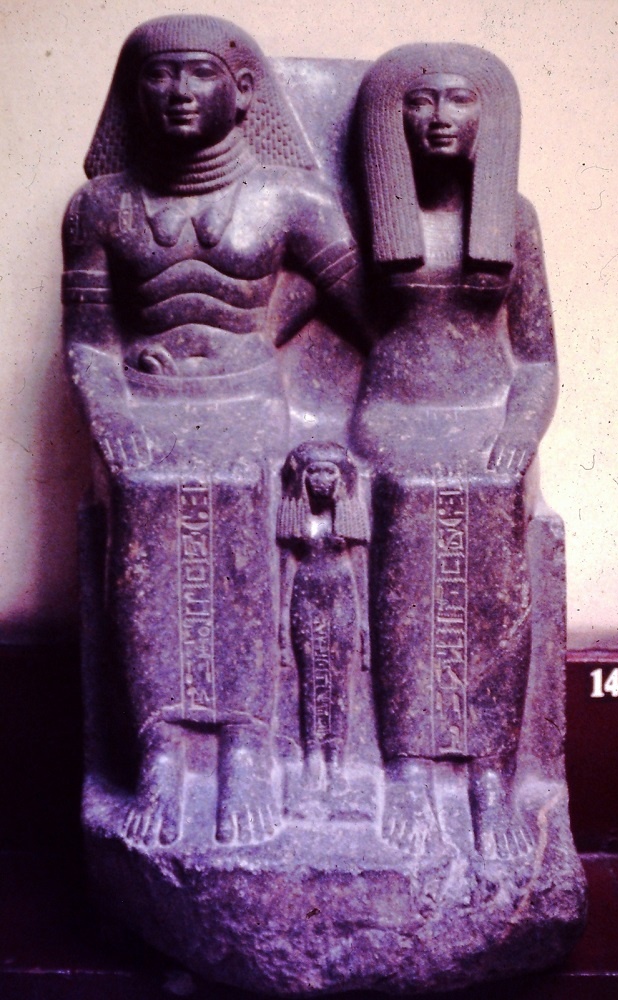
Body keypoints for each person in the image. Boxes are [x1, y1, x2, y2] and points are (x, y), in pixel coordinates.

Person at [63, 15, 363, 847]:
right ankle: (163, 754)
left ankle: (247, 753)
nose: (178, 92)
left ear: (244, 92)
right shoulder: (100, 209)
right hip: (149, 410)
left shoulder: (291, 200)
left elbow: (369, 311)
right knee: (144, 562)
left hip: (249, 407)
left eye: (199, 73)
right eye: (157, 76)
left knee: (243, 559)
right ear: (131, 94)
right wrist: (111, 414)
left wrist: (261, 334)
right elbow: (87, 342)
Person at [351, 44, 558, 858]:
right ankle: (406, 769)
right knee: (411, 532)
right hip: (394, 416)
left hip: (485, 415)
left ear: (489, 115)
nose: (438, 117)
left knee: (494, 564)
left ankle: (489, 776)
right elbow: (291, 310)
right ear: (390, 117)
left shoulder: (517, 218)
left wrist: (519, 430)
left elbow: (537, 361)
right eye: (419, 100)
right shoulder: (364, 216)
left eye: (458, 99)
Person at [277, 442, 369, 803]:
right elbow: (287, 570)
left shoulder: (345, 519)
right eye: (313, 471)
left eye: (328, 471)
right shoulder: (300, 520)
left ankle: (335, 761)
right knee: (311, 678)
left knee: (339, 682)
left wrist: (365, 624)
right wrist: (281, 620)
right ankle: (312, 756)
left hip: (342, 596)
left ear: (341, 477)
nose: (320, 479)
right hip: (305, 595)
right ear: (301, 477)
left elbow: (360, 571)